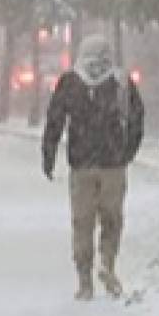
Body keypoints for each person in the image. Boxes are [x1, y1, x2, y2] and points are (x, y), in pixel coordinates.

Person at [42, 35, 145, 300]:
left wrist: (49, 154)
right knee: (112, 219)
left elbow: (55, 119)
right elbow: (137, 119)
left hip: (81, 164)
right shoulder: (121, 82)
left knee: (82, 222)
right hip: (113, 163)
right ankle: (107, 263)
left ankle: (84, 279)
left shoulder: (69, 82)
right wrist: (127, 151)